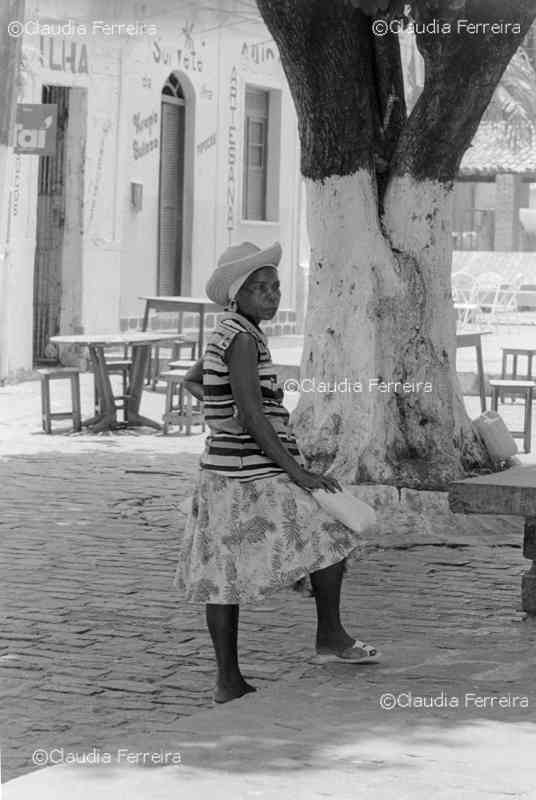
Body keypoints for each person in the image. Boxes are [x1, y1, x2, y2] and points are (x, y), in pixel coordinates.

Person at [173, 241, 379, 704]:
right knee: (331, 531)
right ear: (236, 294)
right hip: (251, 471)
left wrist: (218, 413)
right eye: (260, 287)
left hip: (224, 469)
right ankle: (329, 637)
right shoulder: (242, 338)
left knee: (222, 573)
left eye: (276, 286)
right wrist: (298, 472)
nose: (272, 295)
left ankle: (231, 679)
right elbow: (252, 413)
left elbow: (194, 380)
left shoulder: (229, 331)